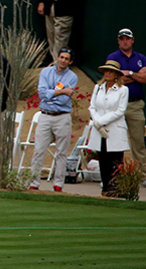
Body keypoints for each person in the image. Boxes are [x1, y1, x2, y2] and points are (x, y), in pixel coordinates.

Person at [29, 47, 77, 192]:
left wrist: (52, 95)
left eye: (66, 59)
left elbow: (63, 100)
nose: (63, 60)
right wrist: (62, 91)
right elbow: (42, 94)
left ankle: (58, 184)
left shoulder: (72, 77)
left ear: (70, 62)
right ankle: (34, 182)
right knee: (39, 150)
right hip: (45, 115)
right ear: (57, 58)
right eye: (61, 57)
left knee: (61, 152)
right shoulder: (45, 72)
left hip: (62, 116)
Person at [86, 59, 129, 197]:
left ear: (116, 74)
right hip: (99, 130)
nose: (108, 74)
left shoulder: (123, 90)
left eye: (111, 71)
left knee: (115, 160)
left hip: (115, 129)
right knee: (103, 159)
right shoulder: (98, 87)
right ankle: (105, 189)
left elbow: (120, 111)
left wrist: (100, 122)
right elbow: (92, 107)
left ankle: (116, 189)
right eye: (106, 71)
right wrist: (97, 122)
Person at [106, 28, 146, 173]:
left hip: (135, 105)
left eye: (127, 39)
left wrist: (128, 73)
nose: (125, 41)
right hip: (116, 106)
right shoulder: (113, 57)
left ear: (132, 40)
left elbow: (144, 78)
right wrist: (135, 75)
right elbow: (113, 79)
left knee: (138, 142)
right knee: (114, 142)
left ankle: (141, 175)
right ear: (118, 41)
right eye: (122, 39)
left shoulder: (141, 58)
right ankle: (114, 175)